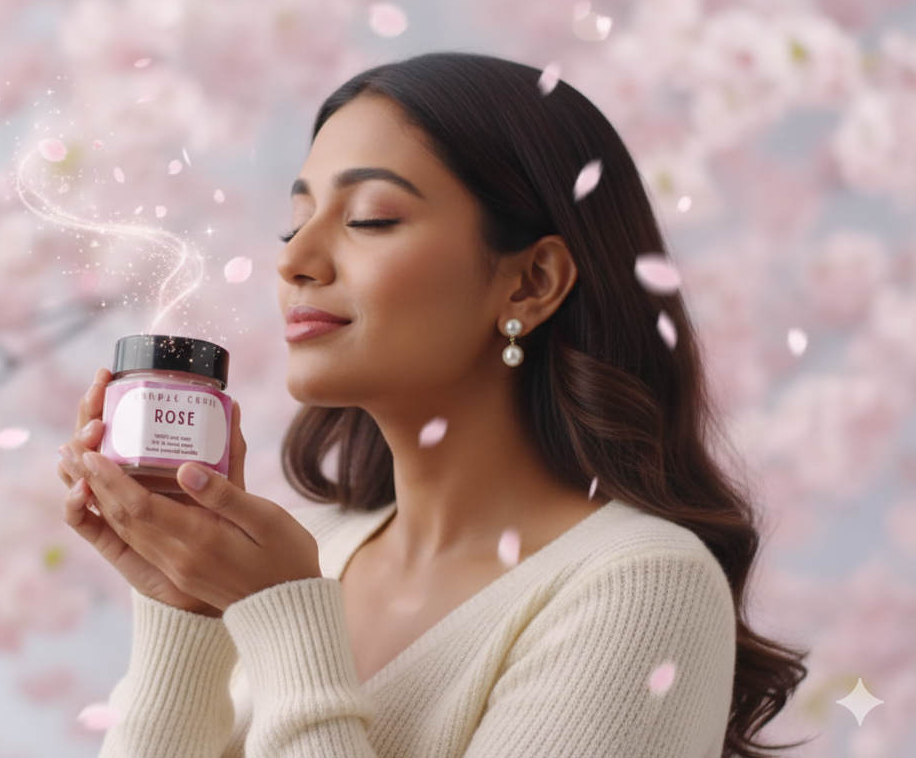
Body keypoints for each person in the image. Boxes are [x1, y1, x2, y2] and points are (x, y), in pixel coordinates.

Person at [56, 52, 811, 758]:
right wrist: (183, 615)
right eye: (296, 220)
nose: (293, 260)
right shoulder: (302, 550)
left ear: (531, 282)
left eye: (371, 219)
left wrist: (286, 620)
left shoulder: (640, 586)